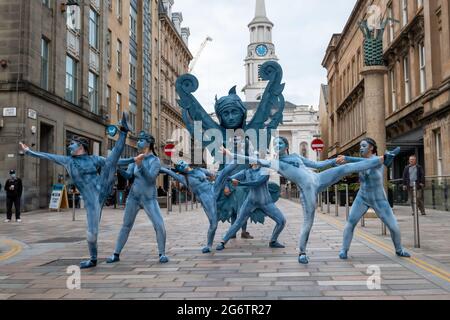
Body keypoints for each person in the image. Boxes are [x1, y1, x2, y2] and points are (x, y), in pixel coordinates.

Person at [224, 137, 400, 264]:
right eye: (274, 144)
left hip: (318, 179)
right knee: (308, 222)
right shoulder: (275, 163)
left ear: (286, 146)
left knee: (346, 167)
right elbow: (253, 159)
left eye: (279, 143)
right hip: (307, 190)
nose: (276, 146)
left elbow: (317, 166)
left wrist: (333, 161)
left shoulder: (296, 157)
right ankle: (302, 252)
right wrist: (231, 154)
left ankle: (384, 159)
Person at [20, 113, 137, 269]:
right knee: (91, 234)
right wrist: (29, 152)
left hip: (102, 188)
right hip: (92, 201)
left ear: (80, 146)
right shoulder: (68, 161)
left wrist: (133, 160)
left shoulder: (94, 159)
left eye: (72, 144)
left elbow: (116, 162)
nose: (69, 146)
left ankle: (123, 131)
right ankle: (93, 259)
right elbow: (48, 156)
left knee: (110, 160)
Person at [339, 138, 411, 260]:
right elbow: (356, 165)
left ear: (371, 147)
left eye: (364, 145)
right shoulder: (362, 161)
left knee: (393, 226)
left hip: (378, 199)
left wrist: (348, 158)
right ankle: (343, 250)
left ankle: (399, 249)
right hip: (362, 196)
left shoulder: (378, 160)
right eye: (360, 146)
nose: (361, 148)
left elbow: (369, 163)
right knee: (350, 222)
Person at [107, 131, 169, 264]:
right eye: (138, 140)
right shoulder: (135, 159)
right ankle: (116, 254)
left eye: (141, 140)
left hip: (149, 198)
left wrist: (140, 165)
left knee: (159, 225)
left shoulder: (155, 161)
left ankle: (162, 253)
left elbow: (151, 178)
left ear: (149, 142)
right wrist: (118, 169)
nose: (139, 142)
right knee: (126, 225)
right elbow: (129, 176)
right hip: (134, 197)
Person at [160, 160, 238, 254]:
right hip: (206, 198)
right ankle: (209, 245)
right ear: (180, 170)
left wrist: (230, 179)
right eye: (179, 166)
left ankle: (240, 157)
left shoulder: (199, 170)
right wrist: (157, 167)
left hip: (212, 188)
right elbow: (169, 172)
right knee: (213, 224)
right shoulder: (183, 178)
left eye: (182, 162)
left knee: (225, 172)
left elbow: (216, 175)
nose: (181, 165)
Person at [216, 162, 286, 251]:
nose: (255, 159)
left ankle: (273, 241)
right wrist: (223, 177)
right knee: (238, 222)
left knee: (282, 221)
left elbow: (257, 183)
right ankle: (223, 241)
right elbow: (229, 178)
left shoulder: (265, 171)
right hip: (250, 201)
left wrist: (240, 183)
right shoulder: (246, 172)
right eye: (253, 157)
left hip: (266, 202)